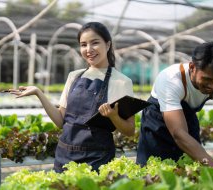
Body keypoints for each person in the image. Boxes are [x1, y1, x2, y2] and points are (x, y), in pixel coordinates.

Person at [9, 22, 135, 172]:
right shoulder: (74, 76)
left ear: (108, 45)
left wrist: (114, 117)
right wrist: (38, 93)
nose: (88, 50)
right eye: (83, 45)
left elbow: (130, 130)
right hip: (65, 155)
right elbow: (61, 121)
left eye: (95, 43)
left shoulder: (121, 82)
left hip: (97, 158)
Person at [136, 42, 213, 168]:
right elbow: (179, 133)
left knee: (191, 168)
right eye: (207, 79)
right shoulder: (170, 79)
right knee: (152, 169)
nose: (212, 86)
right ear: (192, 67)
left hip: (187, 119)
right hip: (157, 123)